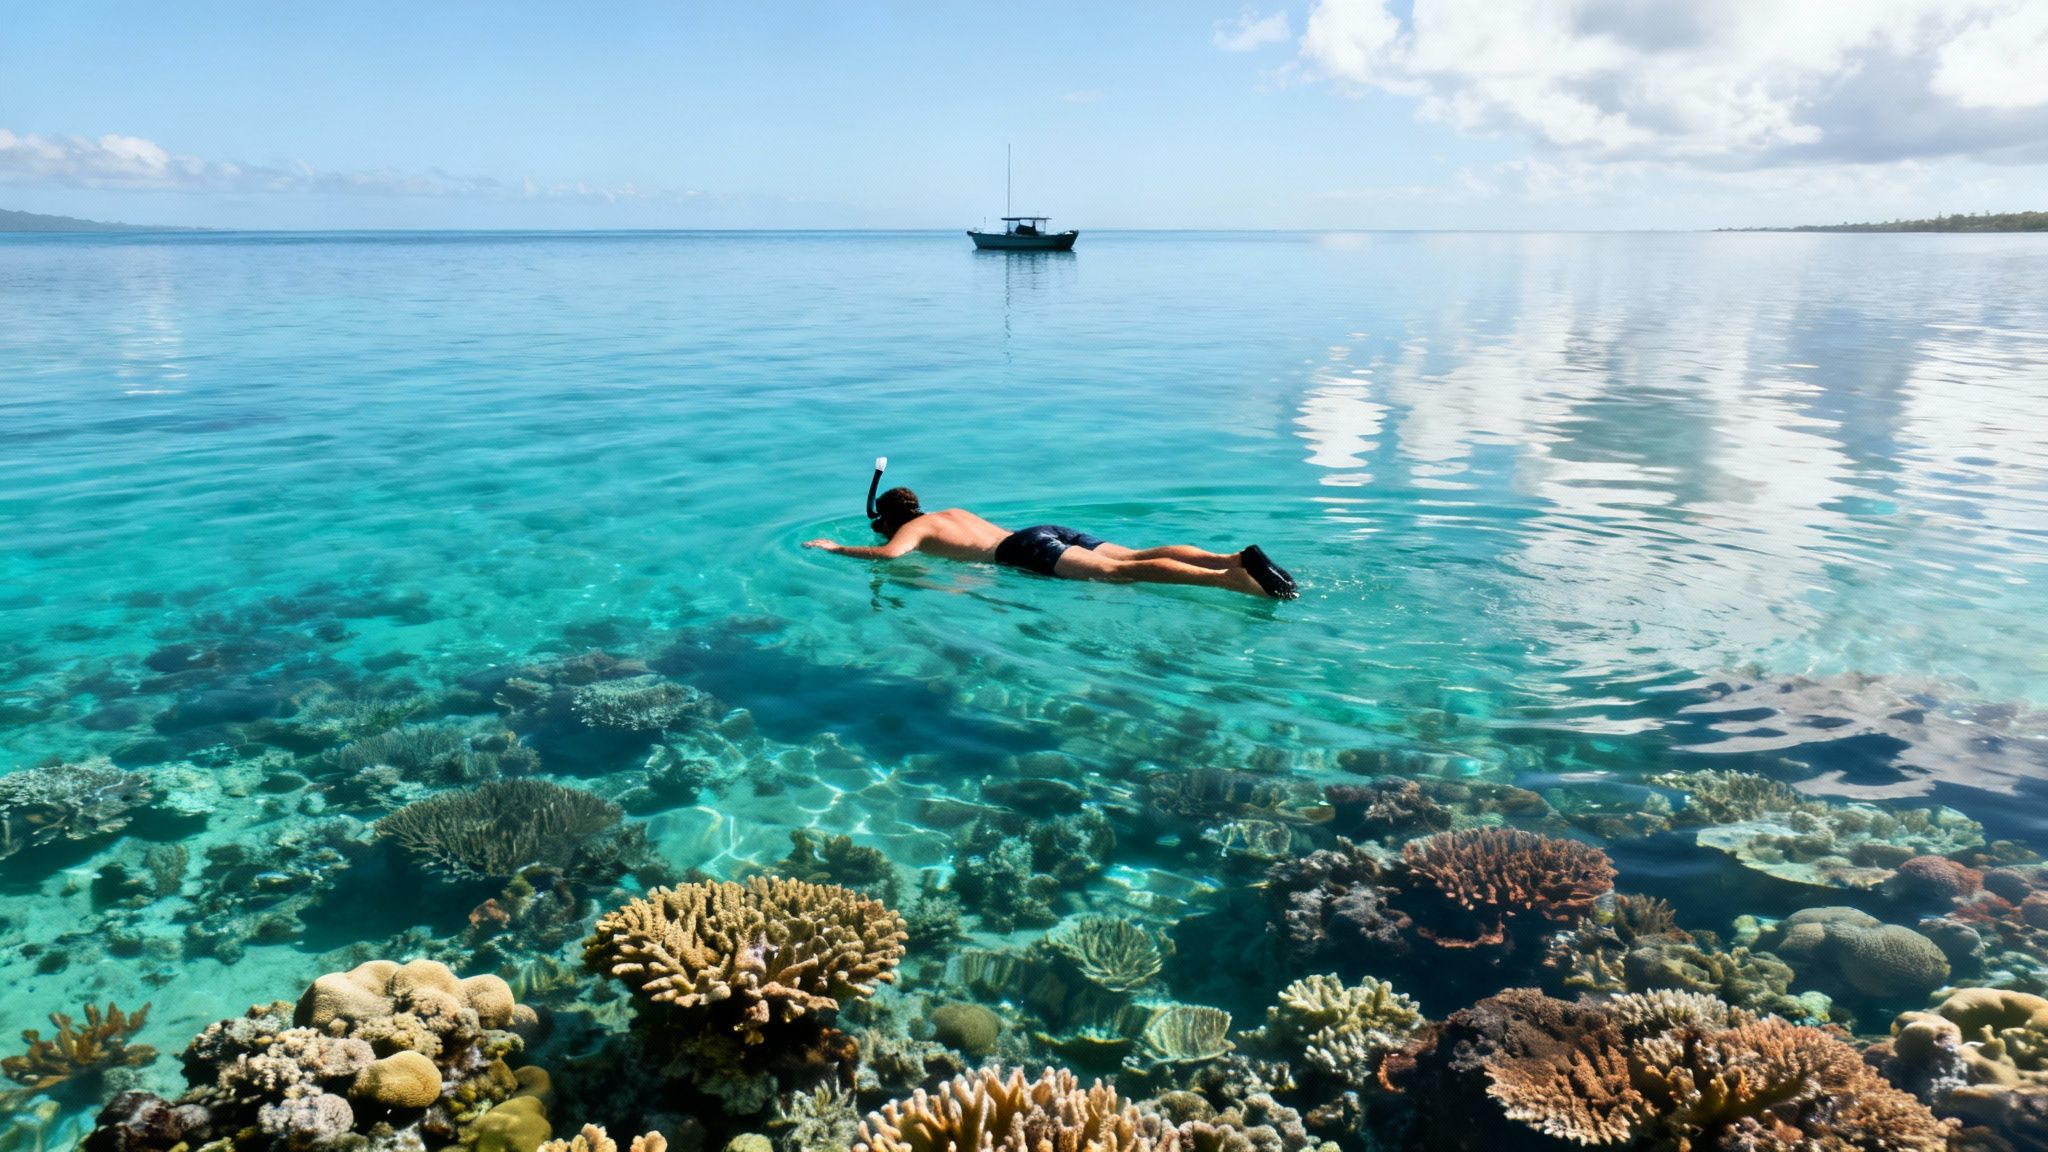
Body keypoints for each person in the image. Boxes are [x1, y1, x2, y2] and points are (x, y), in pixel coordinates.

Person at [803, 487, 1298, 599]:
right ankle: (1231, 557)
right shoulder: (953, 512)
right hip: (1045, 531)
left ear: (890, 519)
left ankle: (1229, 580)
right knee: (1131, 554)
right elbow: (967, 560)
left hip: (1022, 550)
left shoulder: (912, 529)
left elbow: (890, 557)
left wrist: (837, 550)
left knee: (1118, 574)